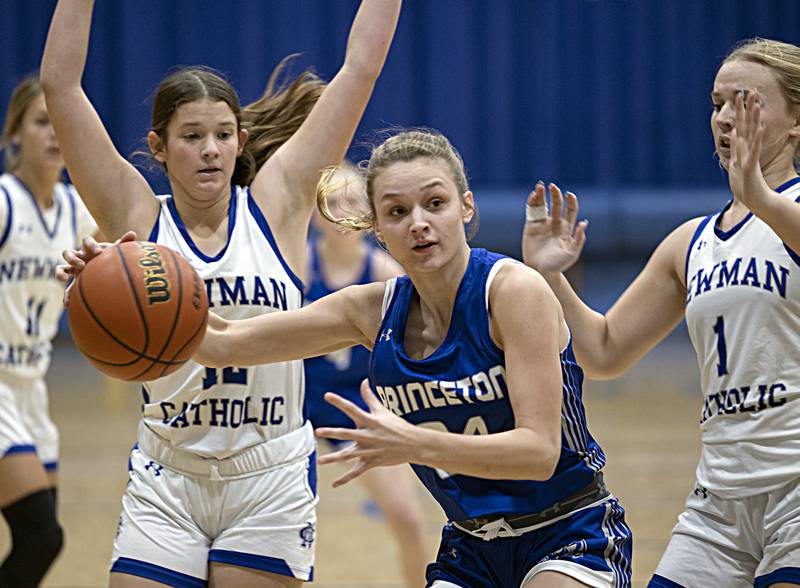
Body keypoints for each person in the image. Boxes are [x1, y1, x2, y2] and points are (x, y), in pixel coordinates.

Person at [71, 130, 630, 587]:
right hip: (472, 544)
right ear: (376, 229)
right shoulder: (372, 308)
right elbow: (220, 342)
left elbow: (537, 452)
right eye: (396, 211)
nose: (418, 222)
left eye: (434, 204)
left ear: (466, 206)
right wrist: (116, 283)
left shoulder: (513, 292)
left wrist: (413, 444)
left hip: (568, 530)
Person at [42, 0, 401, 585]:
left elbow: (359, 68)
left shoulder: (279, 201)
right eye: (191, 136)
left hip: (269, 472)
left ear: (241, 141)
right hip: (168, 472)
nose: (210, 149)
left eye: (222, 135)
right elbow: (60, 87)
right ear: (158, 147)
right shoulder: (132, 213)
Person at [521, 38, 800, 588]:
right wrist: (550, 275)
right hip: (721, 496)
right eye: (717, 103)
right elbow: (603, 351)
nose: (725, 117)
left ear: (795, 122)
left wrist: (761, 196)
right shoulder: (689, 243)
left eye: (745, 102)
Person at [305, 162, 430, 587]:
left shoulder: (384, 274)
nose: (340, 215)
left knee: (409, 520)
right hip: (300, 409)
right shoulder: (299, 267)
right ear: (313, 213)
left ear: (370, 215)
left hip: (362, 411)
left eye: (350, 204)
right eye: (330, 205)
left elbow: (411, 358)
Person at [0, 76, 98, 587]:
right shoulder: (3, 202)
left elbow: (140, 227)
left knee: (37, 540)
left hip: (30, 391)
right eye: (42, 122)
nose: (54, 133)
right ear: (14, 134)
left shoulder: (74, 209)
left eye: (61, 122)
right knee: (43, 536)